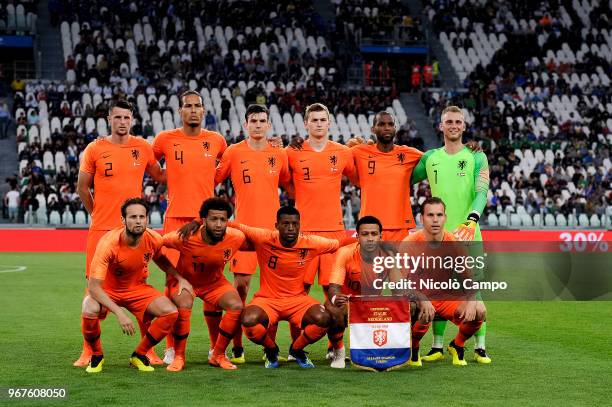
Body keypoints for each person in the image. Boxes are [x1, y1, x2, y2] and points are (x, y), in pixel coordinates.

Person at [75, 99, 166, 367]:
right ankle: (89, 350)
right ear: (109, 119)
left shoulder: (143, 147)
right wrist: (97, 214)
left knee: (140, 287)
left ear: (132, 120)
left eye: (127, 117)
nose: (122, 122)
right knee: (94, 288)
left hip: (136, 231)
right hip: (102, 229)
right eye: (118, 118)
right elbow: (82, 187)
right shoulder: (95, 148)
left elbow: (160, 175)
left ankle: (146, 349)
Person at [411, 105, 491, 363]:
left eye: (458, 121)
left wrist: (471, 220)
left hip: (469, 234)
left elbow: (482, 191)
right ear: (441, 126)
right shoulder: (430, 158)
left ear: (464, 126)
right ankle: (436, 347)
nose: (454, 125)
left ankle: (479, 347)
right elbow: (404, 176)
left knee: (474, 291)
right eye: (449, 121)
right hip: (438, 238)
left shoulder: (477, 156)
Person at [151, 90, 227, 364]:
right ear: (180, 112)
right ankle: (171, 347)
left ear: (204, 111)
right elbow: (148, 165)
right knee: (173, 283)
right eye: (188, 106)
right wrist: (163, 176)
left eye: (197, 106)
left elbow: (228, 167)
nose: (193, 110)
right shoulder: (165, 139)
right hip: (175, 221)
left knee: (212, 281)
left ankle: (214, 348)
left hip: (206, 223)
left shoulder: (217, 140)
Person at [214, 104, 290, 364]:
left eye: (262, 121)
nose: (258, 125)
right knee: (240, 289)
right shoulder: (233, 152)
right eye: (253, 121)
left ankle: (271, 347)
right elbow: (211, 179)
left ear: (268, 125)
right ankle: (236, 347)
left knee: (274, 292)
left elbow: (291, 183)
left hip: (272, 234)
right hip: (243, 233)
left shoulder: (278, 153)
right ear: (246, 124)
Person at [81, 198, 189, 373]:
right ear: (123, 220)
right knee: (89, 306)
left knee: (170, 312)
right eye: (132, 217)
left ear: (147, 219)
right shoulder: (108, 243)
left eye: (141, 216)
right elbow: (93, 287)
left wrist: (179, 277)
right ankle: (96, 355)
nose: (138, 221)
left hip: (136, 288)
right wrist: (119, 312)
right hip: (107, 290)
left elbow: (160, 258)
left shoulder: (153, 238)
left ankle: (139, 354)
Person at [286, 102, 358, 358]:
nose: (318, 124)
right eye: (313, 120)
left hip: (334, 234)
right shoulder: (292, 152)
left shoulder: (343, 153)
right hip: (303, 235)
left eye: (322, 120)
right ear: (306, 124)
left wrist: (360, 146)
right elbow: (284, 181)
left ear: (329, 123)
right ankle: (297, 348)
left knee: (335, 293)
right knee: (297, 293)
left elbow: (359, 179)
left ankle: (336, 348)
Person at [231, 206, 341, 368]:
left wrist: (363, 238)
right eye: (286, 223)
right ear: (276, 225)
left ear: (300, 225)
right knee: (248, 321)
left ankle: (296, 350)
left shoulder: (310, 243)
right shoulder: (264, 237)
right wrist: (199, 222)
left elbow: (339, 242)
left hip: (297, 300)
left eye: (295, 224)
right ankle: (271, 350)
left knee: (323, 319)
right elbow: (236, 226)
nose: (291, 228)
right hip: (267, 300)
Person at [327, 215, 435, 368]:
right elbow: (334, 287)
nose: (370, 238)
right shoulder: (345, 253)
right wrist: (335, 298)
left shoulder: (387, 256)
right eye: (365, 234)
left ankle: (403, 347)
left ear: (380, 236)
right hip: (349, 304)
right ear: (357, 236)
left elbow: (400, 288)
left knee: (413, 306)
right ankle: (338, 351)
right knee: (331, 310)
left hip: (373, 306)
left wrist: (422, 298)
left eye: (373, 234)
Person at [162, 198, 246, 371]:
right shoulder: (185, 237)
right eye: (214, 219)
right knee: (184, 302)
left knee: (236, 305)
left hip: (214, 284)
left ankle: (218, 354)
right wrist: (175, 276)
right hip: (187, 283)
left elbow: (257, 241)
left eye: (223, 220)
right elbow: (156, 245)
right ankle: (179, 356)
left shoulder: (236, 237)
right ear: (203, 220)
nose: (218, 224)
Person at [402, 197, 486, 366]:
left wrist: (471, 299)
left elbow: (469, 279)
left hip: (445, 297)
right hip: (418, 298)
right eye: (430, 215)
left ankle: (457, 345)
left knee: (479, 310)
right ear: (421, 218)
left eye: (439, 215)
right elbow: (400, 284)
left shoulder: (454, 243)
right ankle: (414, 347)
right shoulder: (409, 244)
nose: (435, 219)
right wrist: (421, 298)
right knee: (414, 307)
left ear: (445, 218)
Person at [350, 111, 423, 241]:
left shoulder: (408, 153)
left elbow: (436, 159)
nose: (386, 127)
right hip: (369, 228)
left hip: (399, 229)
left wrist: (467, 148)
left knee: (397, 263)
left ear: (395, 128)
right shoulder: (359, 151)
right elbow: (335, 158)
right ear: (373, 129)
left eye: (390, 124)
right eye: (381, 124)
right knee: (369, 262)